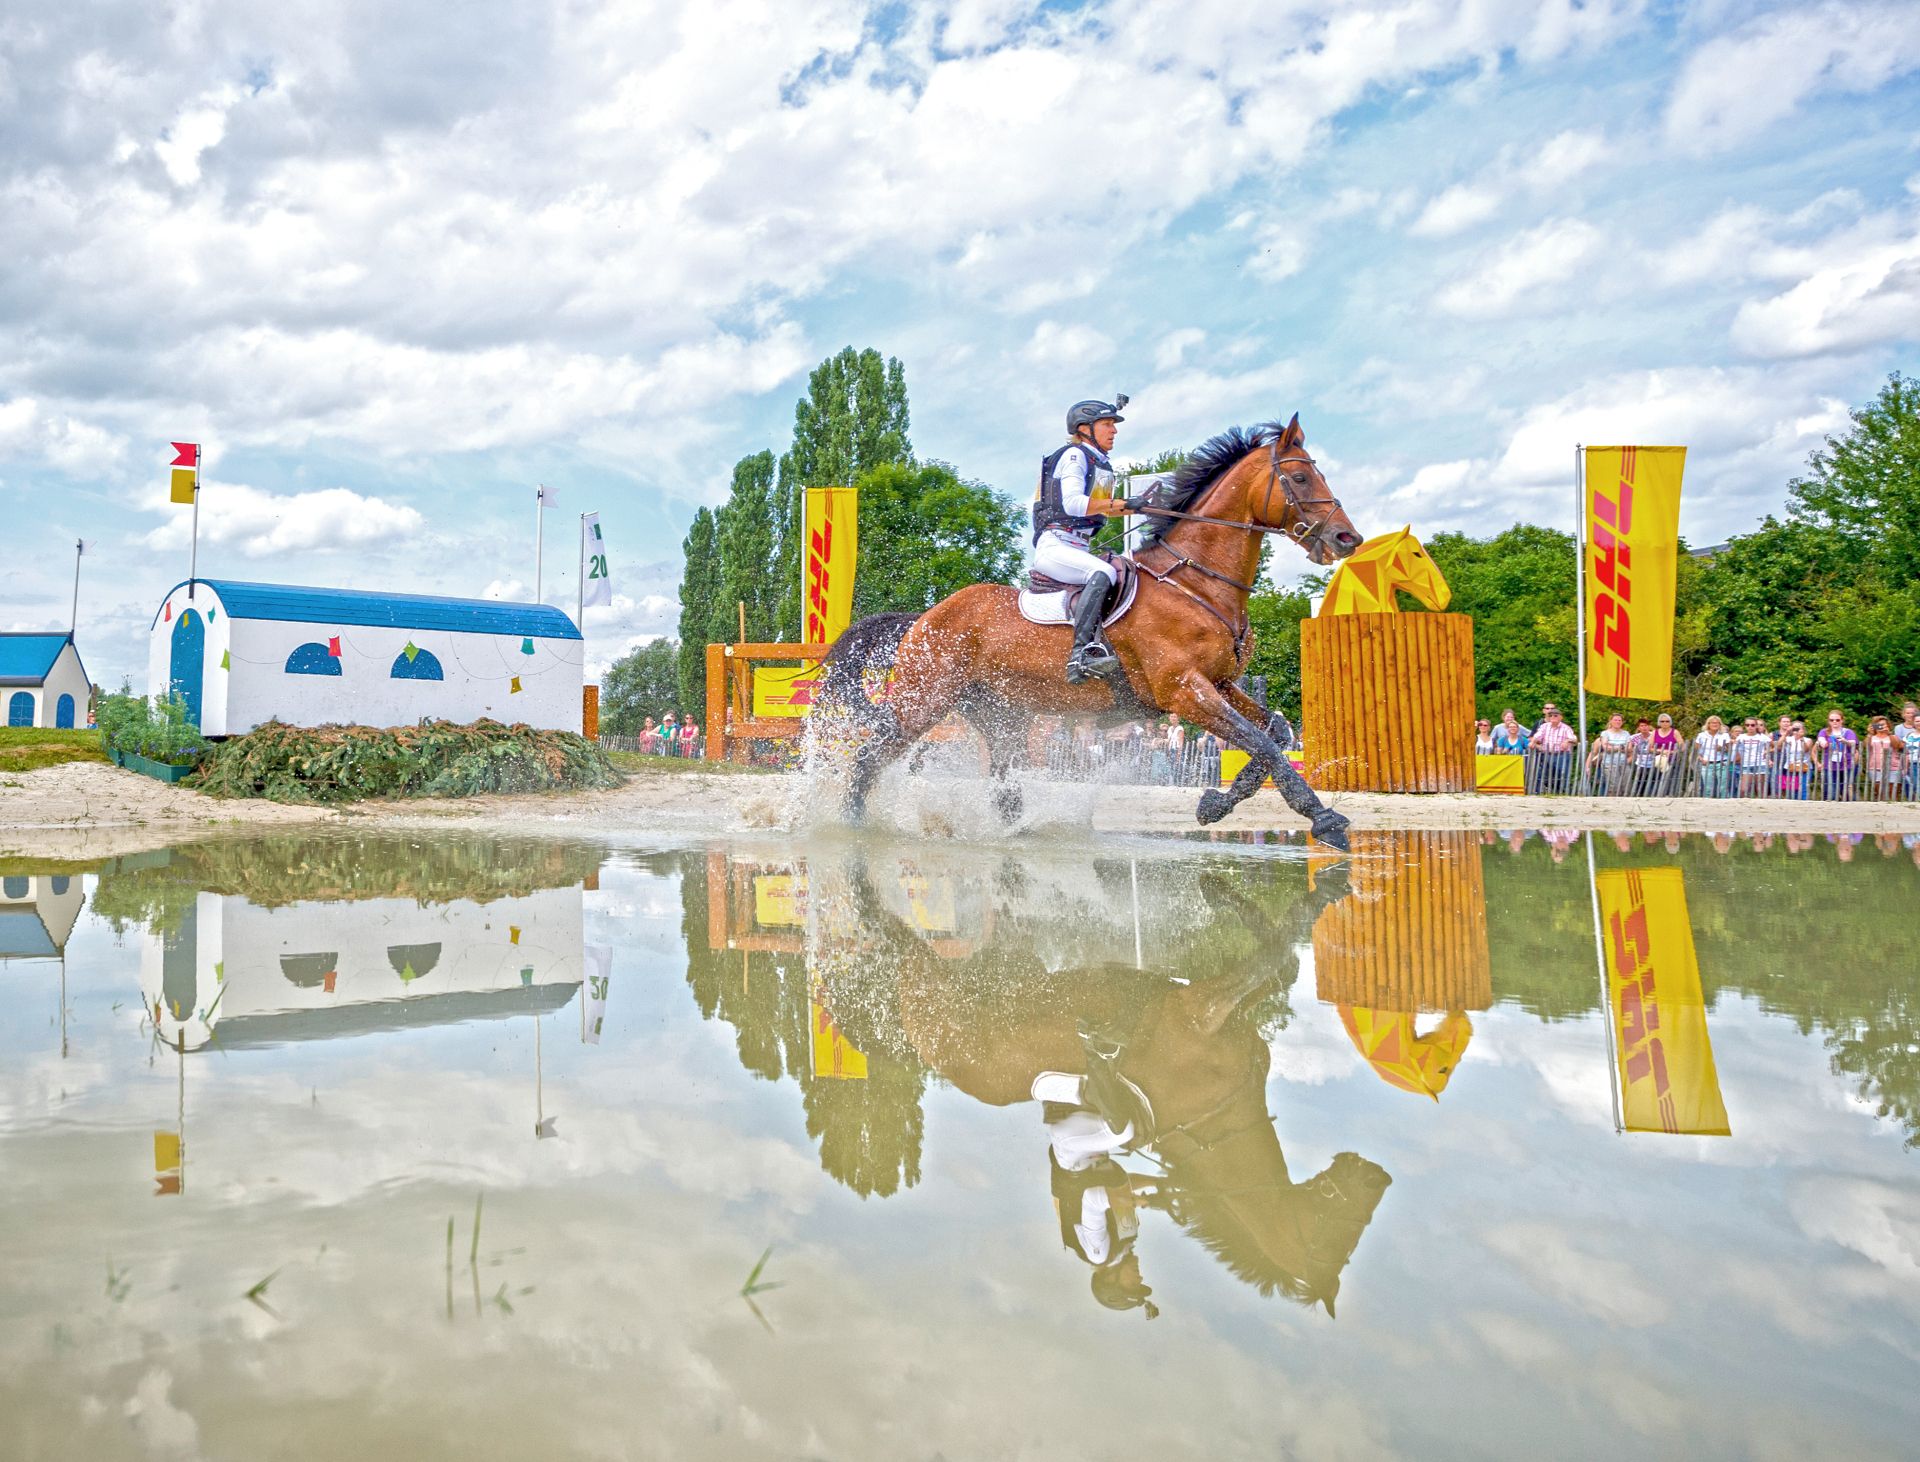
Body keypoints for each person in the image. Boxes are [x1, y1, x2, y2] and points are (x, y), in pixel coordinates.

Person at [1033, 396, 1141, 684]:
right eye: (1107, 424)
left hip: (1080, 545)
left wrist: (1134, 506)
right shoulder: (1075, 455)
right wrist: (1123, 503)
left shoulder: (1102, 465)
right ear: (1084, 428)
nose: (1114, 430)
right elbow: (1074, 505)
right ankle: (1080, 655)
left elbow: (1103, 507)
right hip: (1056, 544)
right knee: (1103, 571)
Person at [1527, 704, 1575, 793]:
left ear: (1561, 717)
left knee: (1562, 775)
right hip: (1547, 755)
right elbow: (1537, 735)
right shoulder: (1544, 726)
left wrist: (1567, 741)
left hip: (1561, 756)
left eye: (1555, 715)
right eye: (1551, 715)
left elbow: (1574, 739)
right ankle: (1551, 791)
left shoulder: (1566, 728)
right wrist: (1533, 741)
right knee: (1547, 775)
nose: (1553, 717)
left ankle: (1562, 792)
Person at [1586, 712, 1633, 796]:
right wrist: (1621, 747)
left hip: (1623, 763)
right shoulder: (1605, 733)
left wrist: (1613, 746)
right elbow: (1606, 747)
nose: (1618, 722)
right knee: (1613, 787)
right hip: (1609, 763)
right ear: (1611, 721)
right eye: (1615, 720)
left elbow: (1629, 749)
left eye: (1620, 720)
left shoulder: (1626, 733)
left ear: (1622, 722)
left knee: (1626, 786)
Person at [1816, 710, 1857, 801]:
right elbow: (1821, 740)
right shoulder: (1824, 732)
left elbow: (1853, 743)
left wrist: (1845, 741)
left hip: (1846, 765)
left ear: (1842, 720)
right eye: (1832, 720)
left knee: (1846, 790)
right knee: (1831, 791)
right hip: (1829, 765)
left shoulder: (1848, 732)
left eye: (1837, 720)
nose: (1834, 722)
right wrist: (1822, 743)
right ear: (1828, 721)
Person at [1693, 714, 1733, 798]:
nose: (1715, 724)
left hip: (1721, 763)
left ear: (1720, 724)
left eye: (1717, 723)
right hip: (1707, 763)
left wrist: (1722, 748)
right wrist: (1701, 758)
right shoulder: (1702, 735)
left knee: (1723, 787)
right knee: (1708, 787)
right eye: (1712, 723)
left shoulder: (1724, 735)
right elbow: (1696, 750)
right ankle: (1708, 803)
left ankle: (1725, 803)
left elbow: (1729, 750)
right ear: (1708, 724)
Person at [1733, 716, 1773, 798]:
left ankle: (1761, 807)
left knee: (1760, 790)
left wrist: (1767, 751)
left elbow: (1775, 746)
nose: (1750, 727)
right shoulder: (1741, 737)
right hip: (1746, 764)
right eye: (1747, 725)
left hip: (1760, 764)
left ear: (1756, 726)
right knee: (1743, 789)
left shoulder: (1763, 737)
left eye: (1752, 725)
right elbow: (1735, 748)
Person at [1865, 716, 1899, 801]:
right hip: (1875, 767)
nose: (1881, 726)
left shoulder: (1892, 736)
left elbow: (1897, 746)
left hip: (1892, 767)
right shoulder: (1872, 737)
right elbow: (1866, 746)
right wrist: (1870, 733)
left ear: (1888, 725)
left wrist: (1889, 733)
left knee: (1892, 790)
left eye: (1883, 724)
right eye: (1878, 725)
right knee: (1878, 790)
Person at [1779, 720, 1813, 799]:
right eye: (1794, 728)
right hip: (1790, 767)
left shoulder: (1808, 740)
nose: (1796, 730)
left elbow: (1806, 750)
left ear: (1803, 730)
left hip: (1805, 767)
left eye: (1798, 728)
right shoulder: (1788, 739)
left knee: (1804, 788)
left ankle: (1804, 804)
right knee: (1792, 789)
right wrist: (1786, 733)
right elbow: (1778, 745)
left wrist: (1801, 739)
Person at [1649, 713, 1682, 795]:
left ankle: (1669, 794)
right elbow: (1650, 748)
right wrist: (1661, 751)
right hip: (1657, 759)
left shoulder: (1675, 732)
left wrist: (1672, 752)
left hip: (1672, 760)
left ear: (1670, 722)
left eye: (1667, 721)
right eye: (1662, 721)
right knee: (1656, 778)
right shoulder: (1654, 732)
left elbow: (1682, 747)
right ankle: (1655, 794)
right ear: (1659, 722)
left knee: (1670, 778)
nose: (1665, 723)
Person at [1895, 701, 1920, 799]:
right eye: (1917, 721)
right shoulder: (1909, 735)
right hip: (1912, 763)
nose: (1919, 723)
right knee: (1914, 784)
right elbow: (1904, 750)